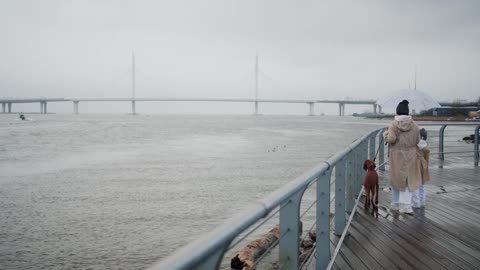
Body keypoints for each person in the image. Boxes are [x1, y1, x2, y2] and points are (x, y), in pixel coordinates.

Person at [383, 100, 421, 214]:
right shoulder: (414, 124)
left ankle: (396, 203)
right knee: (408, 179)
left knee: (396, 179)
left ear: (397, 111)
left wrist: (385, 135)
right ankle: (406, 205)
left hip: (397, 155)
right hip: (411, 154)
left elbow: (391, 139)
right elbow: (417, 140)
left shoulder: (394, 124)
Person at [412, 128, 430, 208]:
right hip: (423, 164)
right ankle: (422, 202)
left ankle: (416, 203)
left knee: (415, 184)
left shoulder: (415, 145)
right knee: (422, 185)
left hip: (415, 165)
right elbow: (427, 158)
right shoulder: (426, 146)